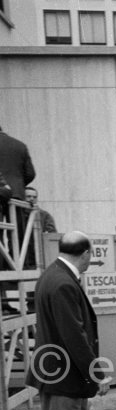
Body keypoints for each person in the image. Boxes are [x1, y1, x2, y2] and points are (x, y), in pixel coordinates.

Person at [26, 231, 109, 410]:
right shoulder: (62, 282)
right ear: (85, 253)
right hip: (62, 376)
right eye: (90, 256)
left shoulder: (53, 275)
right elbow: (75, 336)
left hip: (64, 375)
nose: (90, 261)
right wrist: (97, 374)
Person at [0, 127, 36, 311]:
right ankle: (17, 264)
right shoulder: (19, 146)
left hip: (1, 196)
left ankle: (5, 264)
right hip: (16, 196)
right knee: (19, 237)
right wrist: (18, 185)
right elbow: (30, 173)